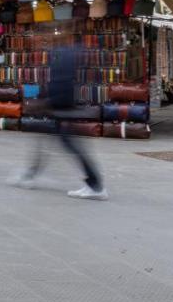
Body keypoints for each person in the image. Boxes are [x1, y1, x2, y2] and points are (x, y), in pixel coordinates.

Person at [10, 44, 106, 200]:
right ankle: (29, 175)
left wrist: (48, 102)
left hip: (62, 110)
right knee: (46, 142)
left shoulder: (62, 54)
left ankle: (95, 185)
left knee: (72, 147)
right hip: (59, 108)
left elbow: (62, 84)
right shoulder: (63, 53)